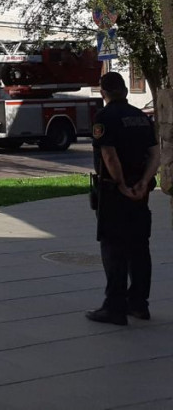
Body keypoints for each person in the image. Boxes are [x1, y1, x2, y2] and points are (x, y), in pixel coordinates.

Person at [86, 71, 160, 325]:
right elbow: (154, 153)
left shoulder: (104, 117)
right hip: (142, 192)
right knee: (140, 248)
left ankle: (114, 308)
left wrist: (122, 185)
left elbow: (109, 156)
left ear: (103, 92)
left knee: (113, 248)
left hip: (114, 193)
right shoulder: (141, 117)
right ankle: (139, 304)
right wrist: (142, 183)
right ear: (126, 91)